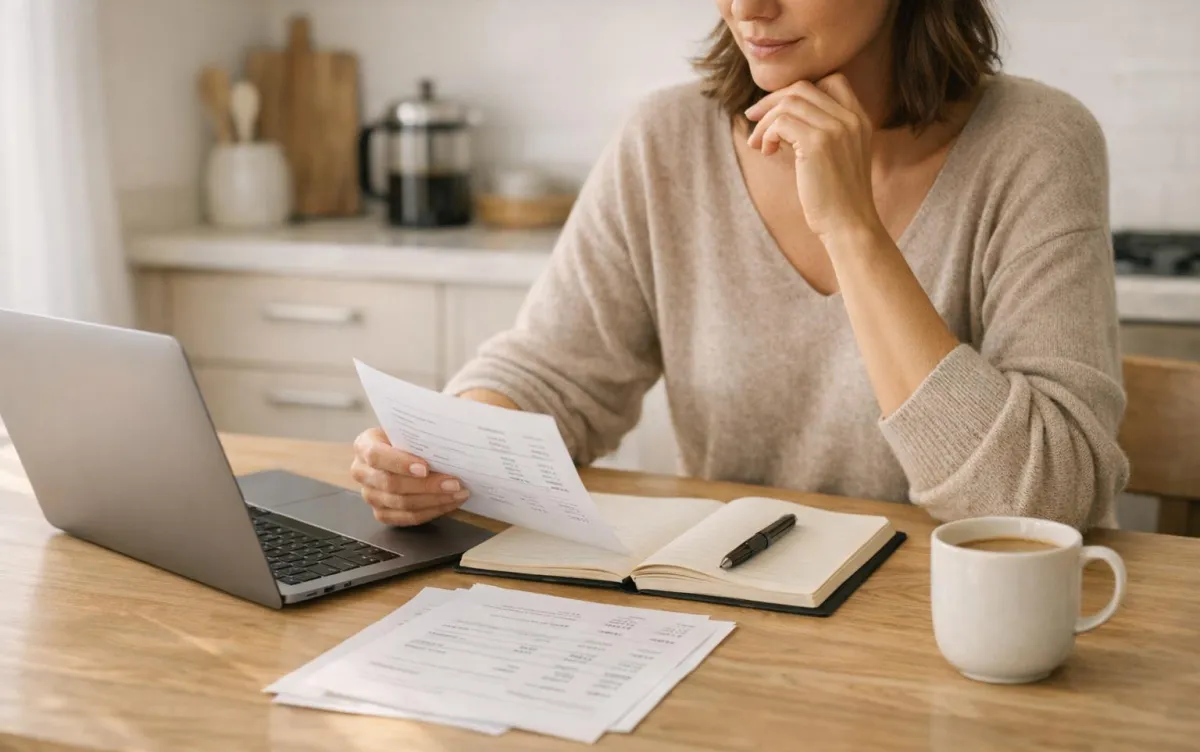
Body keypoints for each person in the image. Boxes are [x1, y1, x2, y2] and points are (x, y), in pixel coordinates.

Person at [352, 0, 1129, 531]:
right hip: (734, 625)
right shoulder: (667, 137)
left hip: (955, 640)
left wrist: (852, 230)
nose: (747, 5)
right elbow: (556, 371)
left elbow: (1048, 499)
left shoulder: (1036, 144)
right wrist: (442, 453)